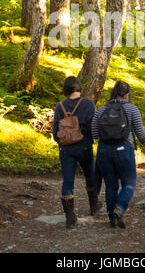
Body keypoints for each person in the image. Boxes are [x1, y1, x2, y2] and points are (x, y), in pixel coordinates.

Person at [91, 80, 145, 229]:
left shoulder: (101, 110)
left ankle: (111, 219)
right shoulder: (132, 109)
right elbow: (140, 132)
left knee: (111, 185)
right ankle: (119, 208)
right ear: (127, 94)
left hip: (103, 151)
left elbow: (94, 133)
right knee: (129, 183)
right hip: (124, 151)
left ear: (113, 93)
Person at [53, 76, 102, 227]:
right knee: (90, 175)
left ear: (66, 89)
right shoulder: (88, 103)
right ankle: (94, 206)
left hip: (66, 148)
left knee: (67, 181)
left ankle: (70, 217)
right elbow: (94, 125)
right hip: (84, 146)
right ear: (79, 87)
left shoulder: (60, 106)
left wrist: (63, 141)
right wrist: (92, 138)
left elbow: (55, 131)